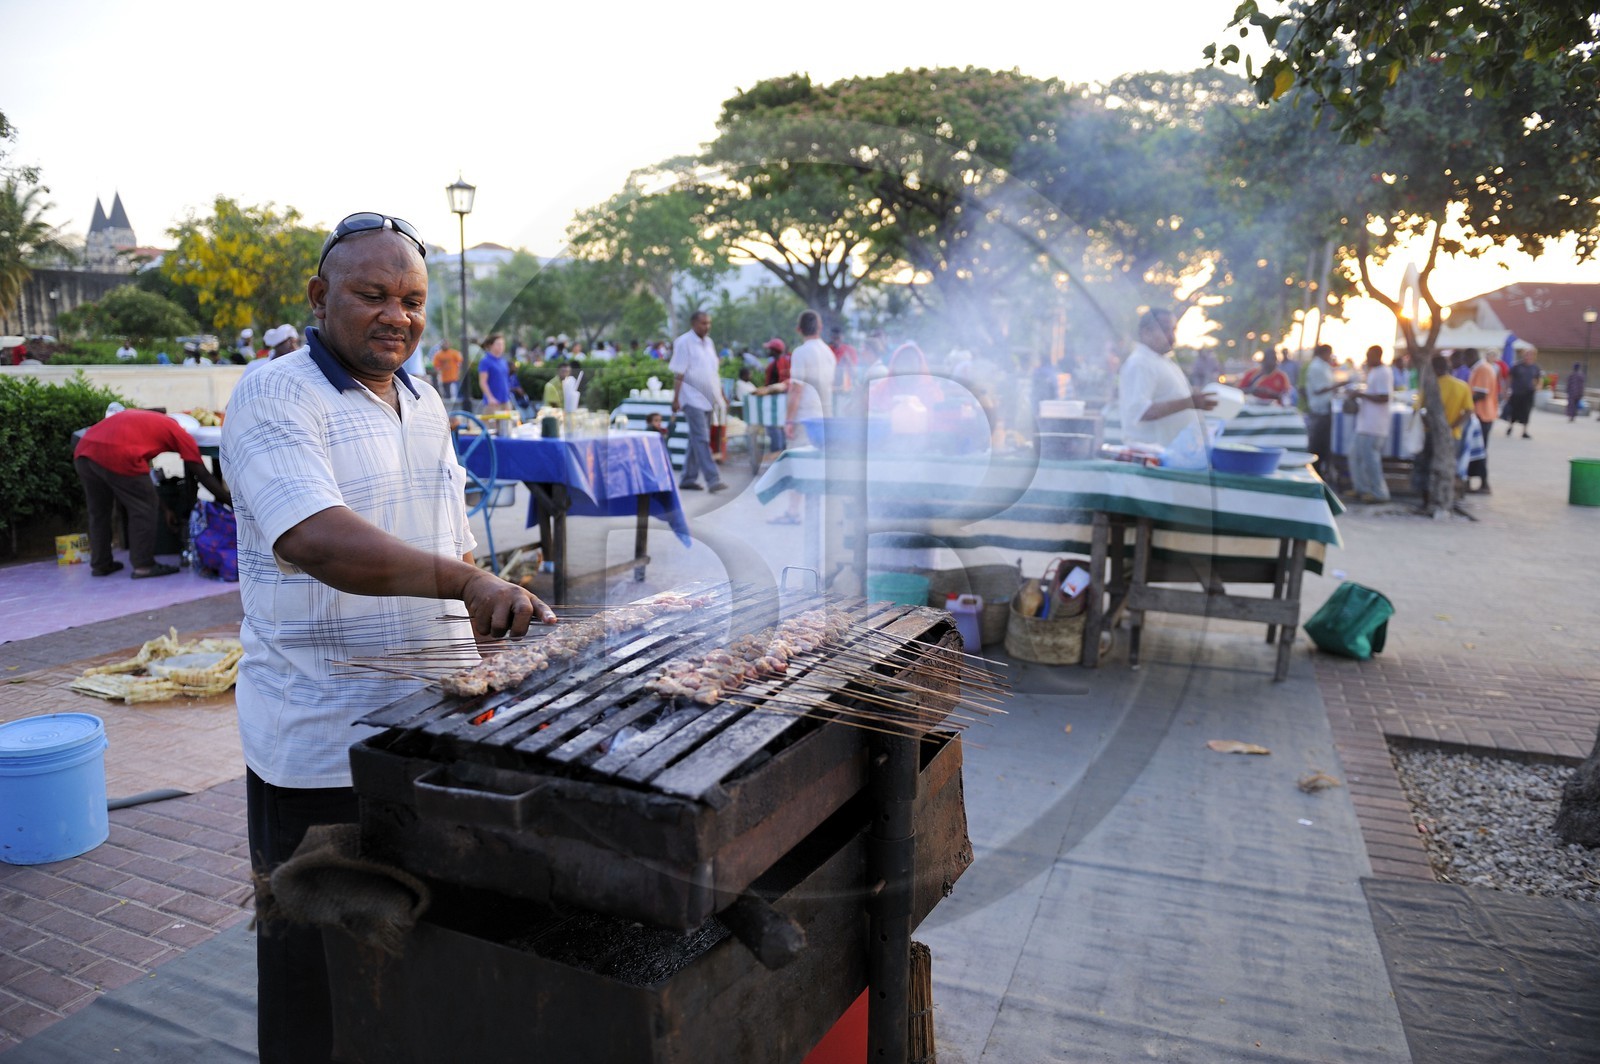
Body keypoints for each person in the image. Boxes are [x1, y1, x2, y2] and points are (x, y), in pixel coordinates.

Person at [221, 213, 555, 1064]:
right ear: (319, 296)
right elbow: (315, 538)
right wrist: (467, 583)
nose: (395, 317)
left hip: (432, 726)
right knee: (321, 978)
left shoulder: (425, 398)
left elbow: (454, 543)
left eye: (411, 300)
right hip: (323, 742)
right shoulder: (274, 392)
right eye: (372, 295)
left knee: (420, 956)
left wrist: (489, 622)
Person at [74, 408, 230, 579]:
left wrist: (164, 510)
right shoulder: (181, 434)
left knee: (98, 512)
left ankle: (101, 563)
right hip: (117, 453)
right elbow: (203, 475)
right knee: (143, 508)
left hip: (84, 449)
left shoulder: (153, 422)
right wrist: (230, 501)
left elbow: (145, 480)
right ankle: (143, 565)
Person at [764, 310, 836, 524]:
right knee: (816, 464)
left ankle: (794, 512)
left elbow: (797, 389)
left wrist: (788, 420)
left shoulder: (801, 352)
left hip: (805, 417)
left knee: (797, 464)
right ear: (820, 327)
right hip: (825, 415)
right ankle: (815, 511)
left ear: (799, 329)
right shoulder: (828, 353)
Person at [1118, 308, 1216, 448]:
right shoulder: (1140, 363)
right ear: (1146, 332)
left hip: (1171, 453)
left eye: (1173, 330)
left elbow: (1170, 396)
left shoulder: (1161, 361)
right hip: (1151, 455)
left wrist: (1192, 396)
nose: (1172, 337)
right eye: (1165, 330)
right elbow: (1140, 411)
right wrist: (1189, 403)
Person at [669, 309, 728, 492]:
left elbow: (713, 372)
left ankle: (687, 478)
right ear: (693, 324)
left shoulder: (709, 343)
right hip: (691, 398)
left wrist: (721, 394)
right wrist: (676, 398)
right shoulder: (683, 342)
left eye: (709, 323)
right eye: (703, 323)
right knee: (702, 439)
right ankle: (713, 479)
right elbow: (679, 373)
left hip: (708, 398)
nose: (707, 326)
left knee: (696, 439)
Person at [1411, 354, 1474, 505]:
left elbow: (1418, 409)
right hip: (1453, 435)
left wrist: (1430, 424)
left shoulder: (1430, 385)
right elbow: (1469, 410)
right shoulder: (1462, 386)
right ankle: (1444, 500)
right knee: (1447, 468)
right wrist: (1452, 426)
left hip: (1431, 434)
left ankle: (1426, 500)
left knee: (1426, 466)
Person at [1349, 345, 1393, 503]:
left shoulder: (1384, 372)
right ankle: (1362, 489)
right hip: (1365, 423)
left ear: (1377, 355)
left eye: (1369, 355)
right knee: (1355, 457)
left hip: (1375, 426)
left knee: (1371, 461)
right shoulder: (1373, 371)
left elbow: (1384, 397)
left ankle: (1380, 493)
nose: (1367, 358)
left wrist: (1362, 394)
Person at [1302, 343, 1342, 481]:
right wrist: (1338, 385)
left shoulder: (1324, 366)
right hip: (1319, 411)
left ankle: (1321, 472)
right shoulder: (1316, 367)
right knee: (1317, 445)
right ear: (1324, 353)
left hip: (1325, 409)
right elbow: (1318, 389)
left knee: (1324, 445)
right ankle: (1314, 473)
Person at [1466, 349, 1500, 493]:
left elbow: (1481, 393)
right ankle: (1468, 481)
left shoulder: (1483, 369)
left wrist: (1465, 402)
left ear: (1471, 357)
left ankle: (1484, 484)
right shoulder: (1480, 369)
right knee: (1474, 450)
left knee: (1479, 451)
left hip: (1483, 415)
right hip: (1480, 414)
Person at [762, 337, 791, 453]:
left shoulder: (773, 366)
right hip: (786, 400)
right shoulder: (788, 362)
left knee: (773, 426)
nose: (768, 351)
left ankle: (777, 451)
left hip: (775, 401)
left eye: (770, 349)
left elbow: (767, 385)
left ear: (774, 351)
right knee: (781, 426)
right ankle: (782, 451)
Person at [1503, 348, 1540, 438]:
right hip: (1517, 392)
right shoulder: (1517, 366)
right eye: (1527, 354)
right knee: (1514, 411)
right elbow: (1509, 378)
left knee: (1526, 412)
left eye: (1531, 355)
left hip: (1528, 393)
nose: (1528, 357)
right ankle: (1510, 427)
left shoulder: (1535, 367)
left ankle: (1524, 431)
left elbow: (1538, 379)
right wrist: (1507, 390)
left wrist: (1537, 387)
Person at [477, 332, 517, 413]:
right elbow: (483, 382)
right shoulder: (485, 361)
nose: (501, 347)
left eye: (503, 344)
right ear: (490, 345)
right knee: (491, 425)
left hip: (505, 401)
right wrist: (490, 398)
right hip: (493, 403)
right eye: (498, 344)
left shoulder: (503, 361)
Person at [829, 325, 858, 404]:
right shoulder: (828, 350)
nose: (836, 340)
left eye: (838, 338)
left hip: (846, 390)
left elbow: (855, 373)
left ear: (843, 337)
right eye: (834, 338)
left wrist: (848, 360)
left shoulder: (850, 350)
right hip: (832, 390)